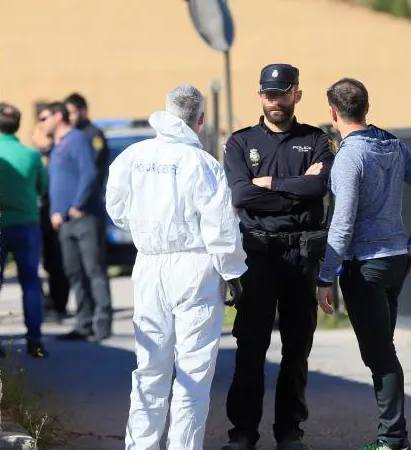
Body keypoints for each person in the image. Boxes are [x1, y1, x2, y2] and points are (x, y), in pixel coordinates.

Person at [105, 84, 247, 450]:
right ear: (201, 120)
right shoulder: (202, 164)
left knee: (149, 366)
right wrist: (233, 272)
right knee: (193, 371)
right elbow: (220, 227)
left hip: (149, 264)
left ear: (166, 111)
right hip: (195, 267)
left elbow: (116, 210)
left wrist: (145, 229)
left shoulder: (132, 156)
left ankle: (141, 445)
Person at [315, 78, 411, 450]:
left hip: (365, 266)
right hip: (394, 260)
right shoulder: (391, 143)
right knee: (382, 349)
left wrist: (325, 276)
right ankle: (391, 436)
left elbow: (342, 222)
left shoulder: (350, 156)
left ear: (333, 112)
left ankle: (392, 440)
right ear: (366, 108)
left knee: (380, 355)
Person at [222, 63, 335, 450]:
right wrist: (295, 191)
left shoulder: (316, 140)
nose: (275, 102)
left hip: (301, 254)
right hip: (257, 253)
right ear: (260, 96)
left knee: (296, 347)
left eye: (282, 94)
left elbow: (319, 186)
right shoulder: (240, 142)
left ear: (296, 94)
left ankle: (289, 433)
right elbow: (240, 195)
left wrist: (270, 185)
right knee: (251, 346)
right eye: (268, 95)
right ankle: (243, 433)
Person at [39, 102, 113, 343]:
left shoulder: (78, 139)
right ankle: (83, 323)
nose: (41, 123)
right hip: (63, 222)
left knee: (94, 271)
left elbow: (89, 173)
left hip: (83, 218)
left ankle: (102, 323)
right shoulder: (58, 145)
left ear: (58, 116)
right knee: (74, 273)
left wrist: (76, 206)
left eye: (44, 118)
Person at [0, 103, 50, 358]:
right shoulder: (31, 155)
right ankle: (35, 340)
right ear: (17, 125)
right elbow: (42, 187)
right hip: (26, 223)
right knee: (30, 282)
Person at [32, 105, 71, 323]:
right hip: (41, 213)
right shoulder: (40, 153)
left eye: (44, 118)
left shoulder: (60, 147)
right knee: (43, 262)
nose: (41, 124)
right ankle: (47, 302)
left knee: (57, 262)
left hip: (57, 213)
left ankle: (58, 305)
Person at [64, 92, 111, 191]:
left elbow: (92, 162)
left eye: (72, 113)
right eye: (67, 114)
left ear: (83, 111)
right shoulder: (71, 133)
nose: (69, 117)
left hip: (90, 191)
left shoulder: (93, 134)